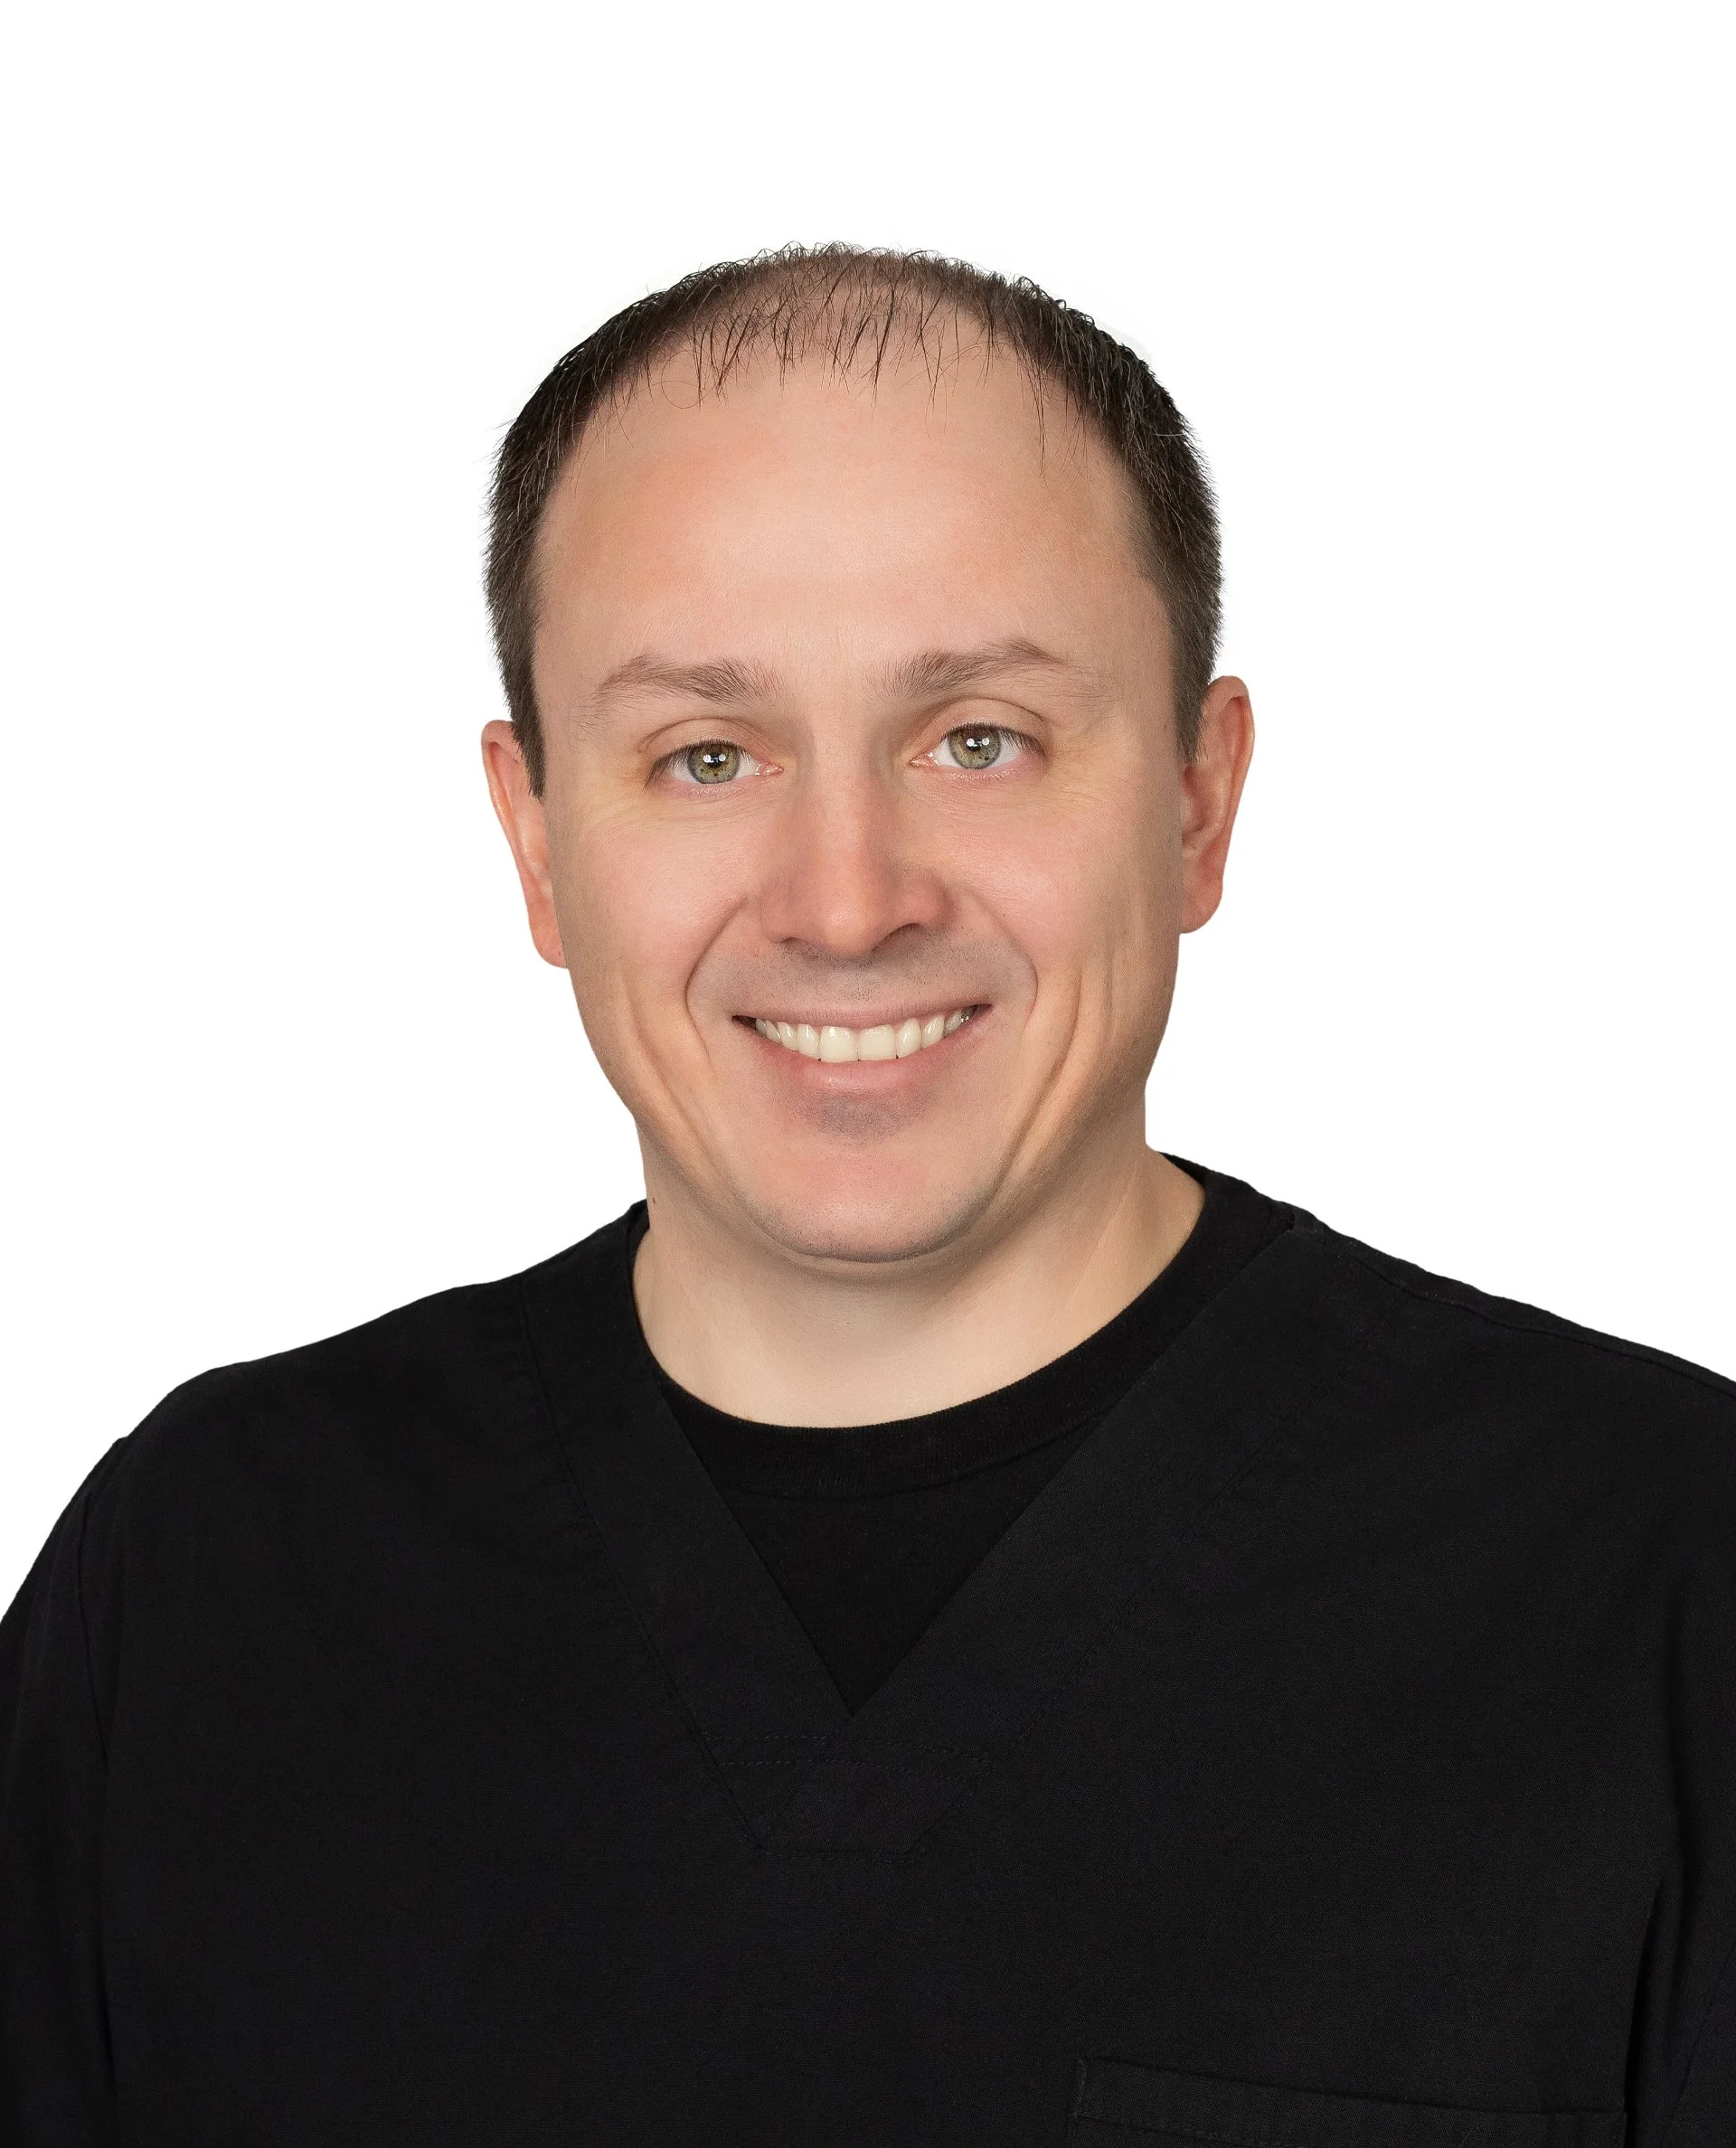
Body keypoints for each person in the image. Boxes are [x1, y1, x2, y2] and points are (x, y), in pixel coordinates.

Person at [2, 247, 1731, 2148]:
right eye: (707, 755)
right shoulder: (208, 1586)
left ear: (1194, 800)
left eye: (977, 737)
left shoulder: (1663, 1585)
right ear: (540, 841)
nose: (846, 897)